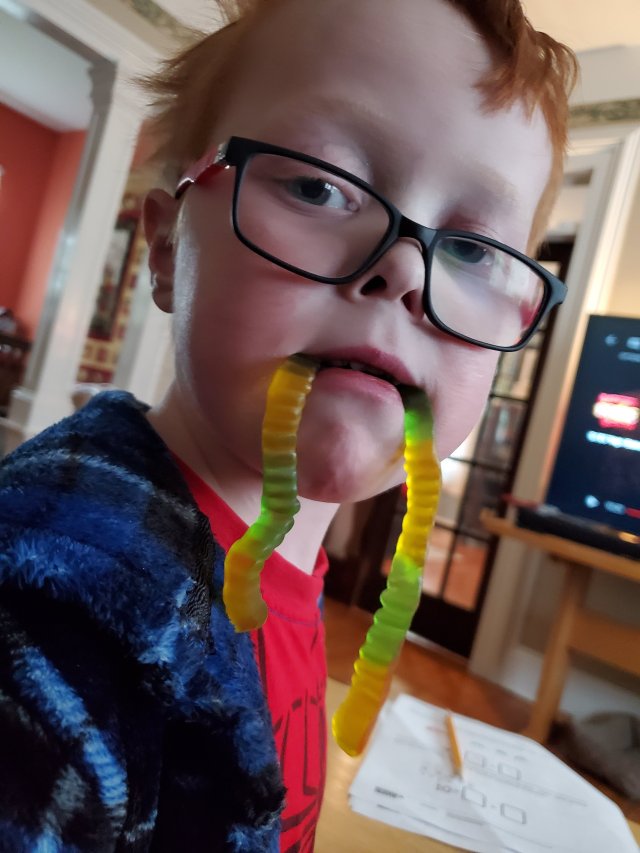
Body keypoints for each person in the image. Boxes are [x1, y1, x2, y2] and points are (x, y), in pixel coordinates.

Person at [0, 0, 577, 850]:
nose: (404, 269)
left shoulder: (285, 581)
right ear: (168, 250)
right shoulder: (58, 613)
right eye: (318, 185)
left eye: (473, 249)